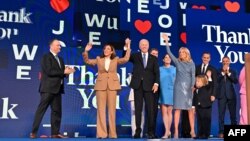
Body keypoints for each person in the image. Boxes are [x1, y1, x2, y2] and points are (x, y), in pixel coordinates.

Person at [82, 38, 131, 138]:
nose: (106, 50)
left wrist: (128, 46)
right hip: (101, 86)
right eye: (105, 49)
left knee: (112, 110)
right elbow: (87, 61)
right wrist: (86, 51)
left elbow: (126, 59)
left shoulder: (116, 59)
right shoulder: (99, 59)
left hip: (112, 86)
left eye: (108, 49)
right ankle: (101, 134)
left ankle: (113, 134)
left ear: (112, 51)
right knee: (101, 110)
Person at [30, 39, 75, 139]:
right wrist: (63, 72)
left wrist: (68, 72)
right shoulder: (46, 57)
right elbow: (50, 71)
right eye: (58, 45)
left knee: (57, 112)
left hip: (58, 89)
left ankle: (55, 133)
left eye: (60, 45)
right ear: (51, 46)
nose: (60, 47)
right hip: (47, 88)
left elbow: (61, 74)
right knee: (41, 110)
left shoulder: (61, 59)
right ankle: (33, 132)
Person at [162, 33, 196, 138]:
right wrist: (166, 41)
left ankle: (192, 131)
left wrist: (193, 86)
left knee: (190, 110)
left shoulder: (191, 63)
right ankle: (176, 131)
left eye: (182, 52)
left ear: (186, 53)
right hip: (178, 89)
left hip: (188, 88)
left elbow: (193, 75)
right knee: (177, 110)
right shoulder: (177, 62)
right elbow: (169, 52)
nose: (180, 53)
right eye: (179, 52)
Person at [129, 39, 160, 139]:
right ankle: (138, 131)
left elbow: (157, 72)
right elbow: (126, 56)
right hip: (137, 86)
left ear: (148, 45)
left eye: (146, 44)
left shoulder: (153, 58)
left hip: (149, 86)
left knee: (150, 110)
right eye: (142, 44)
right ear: (139, 46)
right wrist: (127, 45)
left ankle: (150, 132)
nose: (144, 46)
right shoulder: (135, 56)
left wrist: (156, 83)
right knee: (138, 109)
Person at [217, 56, 238, 138]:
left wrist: (228, 73)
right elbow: (217, 80)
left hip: (231, 96)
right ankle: (221, 132)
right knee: (221, 115)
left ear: (229, 62)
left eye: (227, 61)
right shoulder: (218, 71)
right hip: (222, 96)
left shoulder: (233, 71)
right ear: (222, 62)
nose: (225, 62)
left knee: (233, 115)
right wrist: (223, 73)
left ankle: (234, 132)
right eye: (224, 61)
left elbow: (236, 81)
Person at [158, 54, 176, 138]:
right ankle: (167, 131)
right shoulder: (160, 69)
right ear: (163, 59)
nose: (168, 59)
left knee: (169, 111)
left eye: (169, 57)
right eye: (166, 57)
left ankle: (167, 131)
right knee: (163, 112)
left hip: (171, 91)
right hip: (162, 91)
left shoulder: (175, 69)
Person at [193, 73, 213, 139]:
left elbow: (210, 85)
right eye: (196, 81)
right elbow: (195, 99)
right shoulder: (195, 90)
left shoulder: (206, 87)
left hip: (206, 107)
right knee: (199, 121)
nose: (196, 82)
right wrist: (193, 107)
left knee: (206, 121)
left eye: (198, 81)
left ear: (203, 82)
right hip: (199, 107)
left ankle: (206, 134)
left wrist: (209, 78)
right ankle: (199, 134)